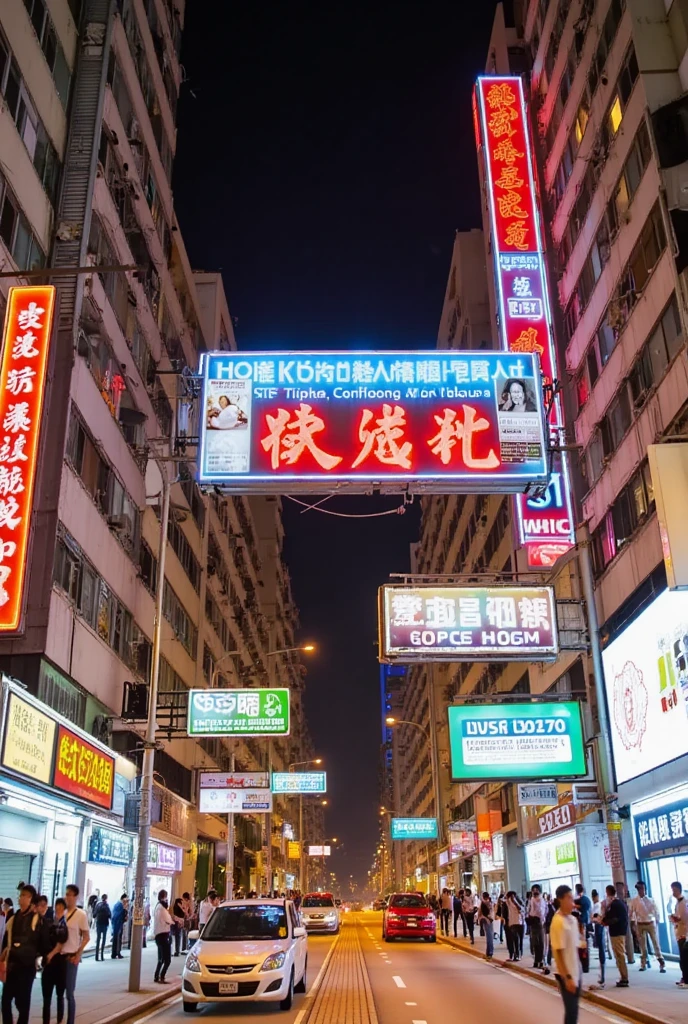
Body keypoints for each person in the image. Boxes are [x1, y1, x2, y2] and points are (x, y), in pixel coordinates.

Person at [0, 885, 48, 1024]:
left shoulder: (37, 920)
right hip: (12, 966)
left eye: (24, 895)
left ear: (31, 899)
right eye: (20, 895)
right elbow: (6, 942)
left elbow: (41, 944)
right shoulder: (14, 918)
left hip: (26, 968)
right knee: (6, 1000)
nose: (21, 897)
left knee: (23, 1003)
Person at [551, 884, 582, 1024]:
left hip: (576, 971)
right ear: (560, 900)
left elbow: (575, 945)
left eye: (572, 898)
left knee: (573, 1012)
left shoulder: (573, 920)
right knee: (571, 1012)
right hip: (565, 974)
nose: (572, 902)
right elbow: (558, 952)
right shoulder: (557, 922)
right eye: (569, 898)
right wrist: (567, 977)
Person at [61, 884, 89, 1024]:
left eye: (70, 894)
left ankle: (70, 1021)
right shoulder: (62, 913)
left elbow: (86, 937)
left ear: (76, 897)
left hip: (71, 957)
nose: (68, 897)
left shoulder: (81, 915)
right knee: (59, 991)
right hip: (59, 956)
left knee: (69, 993)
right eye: (66, 894)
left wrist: (78, 954)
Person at [41, 897, 68, 1024]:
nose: (58, 909)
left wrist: (50, 954)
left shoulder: (65, 924)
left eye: (61, 907)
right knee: (46, 998)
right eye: (57, 906)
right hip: (49, 965)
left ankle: (59, 1020)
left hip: (60, 964)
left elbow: (62, 941)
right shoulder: (48, 922)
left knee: (59, 996)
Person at [629, 881, 665, 973]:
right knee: (642, 945)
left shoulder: (650, 900)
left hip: (650, 923)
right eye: (639, 888)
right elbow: (631, 913)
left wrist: (656, 921)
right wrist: (633, 924)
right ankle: (643, 963)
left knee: (655, 943)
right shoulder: (634, 901)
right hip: (640, 924)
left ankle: (661, 962)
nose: (641, 890)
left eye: (642, 888)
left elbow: (656, 912)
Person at [602, 883, 629, 987]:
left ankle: (624, 978)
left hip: (617, 932)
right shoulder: (618, 903)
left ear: (608, 893)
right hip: (618, 932)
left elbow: (614, 918)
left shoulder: (615, 904)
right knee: (618, 955)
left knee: (619, 954)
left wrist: (605, 922)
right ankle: (623, 976)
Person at [669, 881, 688, 988]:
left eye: (673, 890)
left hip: (683, 933)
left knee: (685, 958)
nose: (673, 892)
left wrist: (676, 919)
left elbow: (684, 918)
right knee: (682, 958)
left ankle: (686, 979)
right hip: (680, 932)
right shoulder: (679, 902)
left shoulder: (683, 902)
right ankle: (684, 977)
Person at [153, 891, 173, 984]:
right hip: (164, 935)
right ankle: (162, 976)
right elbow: (168, 920)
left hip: (158, 935)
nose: (166, 899)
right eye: (166, 897)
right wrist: (174, 921)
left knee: (161, 958)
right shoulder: (162, 908)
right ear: (163, 897)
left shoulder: (157, 907)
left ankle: (157, 976)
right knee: (167, 959)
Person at [527, 884, 547, 969]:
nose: (534, 892)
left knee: (541, 942)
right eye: (533, 890)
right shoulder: (531, 900)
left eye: (536, 890)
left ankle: (541, 960)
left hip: (539, 922)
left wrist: (543, 920)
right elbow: (529, 910)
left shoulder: (542, 900)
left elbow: (543, 911)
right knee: (535, 942)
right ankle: (536, 960)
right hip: (533, 921)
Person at [590, 889, 606, 988]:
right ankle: (602, 975)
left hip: (599, 927)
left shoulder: (598, 905)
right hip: (597, 927)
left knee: (601, 950)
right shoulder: (597, 905)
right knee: (600, 949)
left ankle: (602, 976)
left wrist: (593, 918)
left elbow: (595, 918)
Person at [506, 891, 524, 961]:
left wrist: (515, 901)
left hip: (520, 922)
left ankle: (519, 954)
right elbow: (504, 900)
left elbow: (521, 909)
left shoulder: (518, 901)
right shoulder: (508, 902)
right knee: (515, 939)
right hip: (513, 923)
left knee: (520, 939)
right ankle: (516, 955)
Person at [93, 895, 111, 961]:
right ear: (106, 898)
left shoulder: (98, 905)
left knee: (98, 939)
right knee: (103, 940)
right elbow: (109, 915)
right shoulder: (106, 905)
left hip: (98, 924)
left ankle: (96, 956)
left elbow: (94, 915)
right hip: (105, 924)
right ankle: (102, 956)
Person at [479, 893, 494, 958]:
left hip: (487, 920)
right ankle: (488, 952)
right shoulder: (491, 902)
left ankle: (489, 953)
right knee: (490, 937)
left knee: (489, 937)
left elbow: (482, 913)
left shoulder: (484, 903)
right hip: (490, 920)